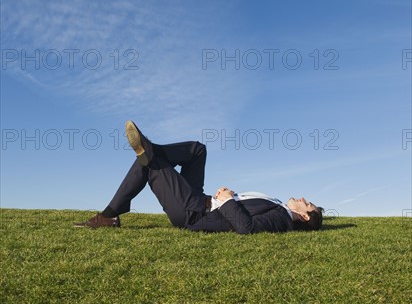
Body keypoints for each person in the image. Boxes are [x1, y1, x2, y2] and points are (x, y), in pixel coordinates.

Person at [75, 120, 324, 234]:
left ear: (304, 215)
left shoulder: (281, 218)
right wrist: (230, 196)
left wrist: (228, 201)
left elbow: (247, 228)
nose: (303, 198)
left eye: (307, 202)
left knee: (150, 164)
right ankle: (150, 151)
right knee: (198, 150)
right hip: (201, 199)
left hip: (193, 213)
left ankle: (109, 215)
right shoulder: (278, 203)